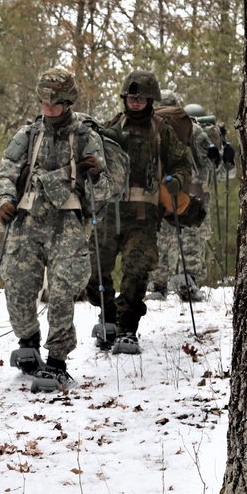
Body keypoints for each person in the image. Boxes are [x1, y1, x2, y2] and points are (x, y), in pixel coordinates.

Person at [0, 67, 114, 389]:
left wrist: (97, 175)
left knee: (61, 294)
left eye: (56, 102)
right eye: (44, 101)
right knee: (17, 286)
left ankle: (58, 360)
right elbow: (6, 172)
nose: (49, 108)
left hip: (67, 223)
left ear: (68, 101)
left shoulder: (87, 137)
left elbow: (103, 195)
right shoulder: (28, 135)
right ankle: (28, 341)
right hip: (27, 221)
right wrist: (4, 200)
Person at [85, 71, 192, 354]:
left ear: (150, 100)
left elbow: (183, 165)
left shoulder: (162, 131)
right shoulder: (111, 126)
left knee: (136, 270)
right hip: (110, 211)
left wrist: (176, 182)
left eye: (141, 98)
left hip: (144, 215)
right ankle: (107, 316)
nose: (136, 102)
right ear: (124, 98)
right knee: (94, 269)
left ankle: (127, 327)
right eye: (132, 97)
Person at [147, 92, 216, 301]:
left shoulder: (191, 132)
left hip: (181, 194)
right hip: (172, 195)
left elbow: (209, 167)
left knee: (184, 239)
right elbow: (209, 170)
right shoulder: (192, 131)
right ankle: (171, 283)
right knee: (176, 240)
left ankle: (181, 282)